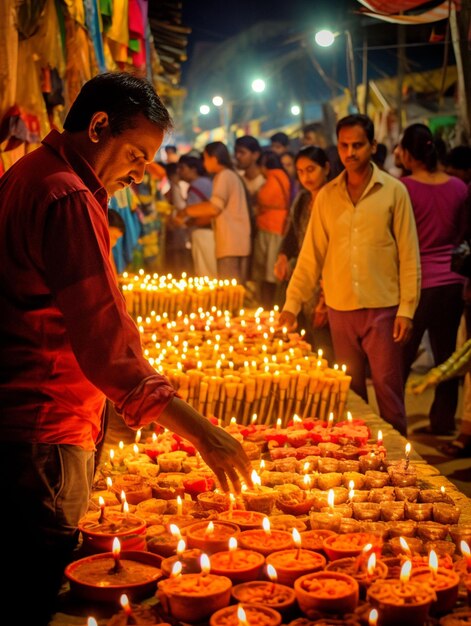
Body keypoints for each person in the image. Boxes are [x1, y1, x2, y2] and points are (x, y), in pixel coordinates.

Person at [0, 72, 252, 626]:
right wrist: (204, 435)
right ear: (97, 127)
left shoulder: (26, 175)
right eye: (137, 153)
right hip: (44, 428)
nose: (142, 172)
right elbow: (106, 349)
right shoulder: (67, 195)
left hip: (27, 420)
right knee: (33, 587)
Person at [279, 114, 421, 436]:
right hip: (340, 309)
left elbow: (409, 254)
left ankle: (401, 461)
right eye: (344, 146)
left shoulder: (394, 192)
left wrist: (407, 309)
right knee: (352, 393)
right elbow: (311, 255)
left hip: (383, 307)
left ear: (372, 145)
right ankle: (363, 461)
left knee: (387, 388)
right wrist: (292, 303)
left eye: (358, 145)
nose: (350, 152)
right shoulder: (328, 196)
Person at [399, 123, 468, 436]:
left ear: (410, 154)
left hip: (419, 283)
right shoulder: (458, 186)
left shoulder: (404, 188)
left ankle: (393, 421)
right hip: (453, 281)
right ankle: (442, 421)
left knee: (401, 357)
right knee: (447, 356)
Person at [273, 146, 334, 362]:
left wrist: (324, 296)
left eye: (311, 169)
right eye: (300, 171)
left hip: (327, 278)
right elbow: (291, 234)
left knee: (325, 338)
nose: (306, 176)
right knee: (305, 335)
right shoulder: (301, 200)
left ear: (326, 168)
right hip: (303, 274)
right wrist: (282, 256)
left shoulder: (335, 200)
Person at [176, 141, 251, 284]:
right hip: (237, 242)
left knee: (229, 291)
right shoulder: (230, 175)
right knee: (234, 290)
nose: (204, 163)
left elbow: (214, 207)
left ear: (214, 158)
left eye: (205, 158)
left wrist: (185, 211)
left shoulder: (224, 176)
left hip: (231, 243)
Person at [252, 150, 291, 309]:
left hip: (271, 227)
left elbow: (265, 199)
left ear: (264, 166)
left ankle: (269, 304)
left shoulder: (274, 179)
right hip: (276, 226)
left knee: (269, 268)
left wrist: (257, 199)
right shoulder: (282, 177)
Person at [177, 153, 217, 278]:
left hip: (203, 232)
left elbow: (194, 212)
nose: (179, 171)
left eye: (182, 168)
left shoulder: (196, 185)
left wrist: (183, 219)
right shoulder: (206, 182)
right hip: (211, 232)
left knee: (205, 271)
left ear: (193, 170)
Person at [234, 134, 265, 205]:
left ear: (255, 155)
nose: (237, 156)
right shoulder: (238, 180)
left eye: (242, 152)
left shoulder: (265, 179)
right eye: (236, 152)